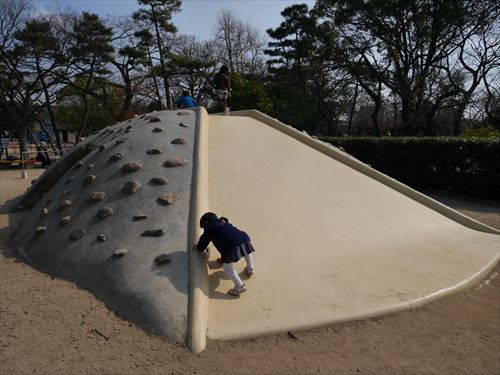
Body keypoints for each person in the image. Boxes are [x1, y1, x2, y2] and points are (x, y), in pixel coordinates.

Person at [194, 212, 255, 296]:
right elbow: (227, 236)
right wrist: (223, 259)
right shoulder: (223, 222)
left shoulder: (209, 226)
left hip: (232, 247)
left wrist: (198, 247)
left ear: (205, 222)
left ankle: (239, 286)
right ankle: (250, 268)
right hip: (243, 238)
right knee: (246, 251)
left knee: (227, 267)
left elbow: (204, 240)